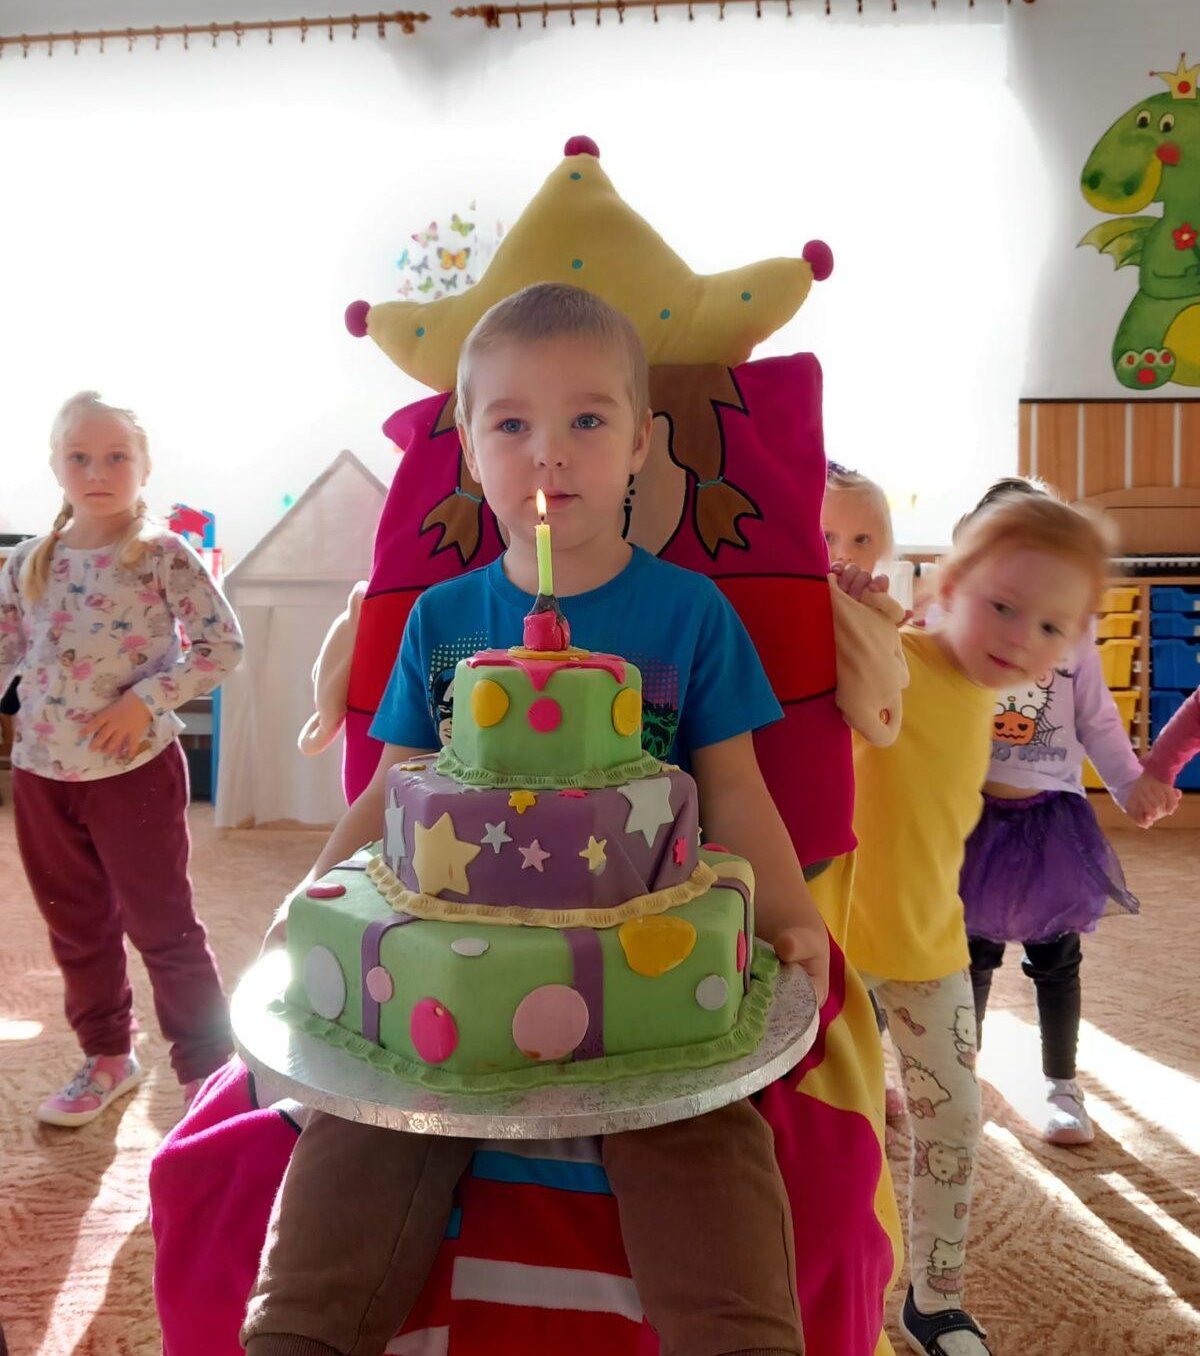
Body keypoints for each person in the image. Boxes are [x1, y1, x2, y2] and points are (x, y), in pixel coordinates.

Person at [241, 283, 830, 1356]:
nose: (547, 452)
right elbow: (392, 786)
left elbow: (738, 787)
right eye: (511, 424)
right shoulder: (442, 619)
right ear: (470, 451)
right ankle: (301, 1335)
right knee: (366, 1119)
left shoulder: (691, 613)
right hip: (452, 966)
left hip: (646, 955)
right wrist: (311, 893)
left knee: (699, 1128)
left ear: (641, 443)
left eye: (586, 419)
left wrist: (792, 915)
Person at [841, 489, 1120, 1356]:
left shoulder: (997, 691)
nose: (1021, 638)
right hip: (841, 946)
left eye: (1050, 627)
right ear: (950, 585)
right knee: (837, 1134)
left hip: (930, 944)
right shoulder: (894, 654)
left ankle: (936, 1301)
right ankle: (833, 1292)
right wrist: (848, 603)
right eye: (1003, 606)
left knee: (955, 1124)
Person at [0, 391, 243, 1123]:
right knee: (76, 929)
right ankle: (108, 1055)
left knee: (164, 926)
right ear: (55, 466)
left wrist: (146, 700)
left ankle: (208, 1069)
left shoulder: (160, 554)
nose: (97, 471)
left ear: (143, 467)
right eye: (79, 457)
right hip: (42, 775)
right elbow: (7, 650)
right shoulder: (28, 561)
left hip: (133, 772)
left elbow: (221, 646)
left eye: (115, 457)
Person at [955, 479, 1177, 1147]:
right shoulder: (959, 627)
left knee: (1055, 959)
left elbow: (1098, 721)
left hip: (1049, 821)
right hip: (968, 819)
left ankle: (1061, 1083)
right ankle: (960, 1075)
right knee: (970, 958)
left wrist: (1130, 784)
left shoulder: (1072, 635)